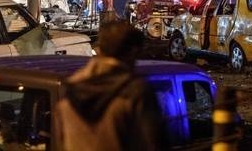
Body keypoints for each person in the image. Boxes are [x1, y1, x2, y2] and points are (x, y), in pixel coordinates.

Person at [54, 21, 168, 151]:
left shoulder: (68, 90)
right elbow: (154, 143)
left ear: (101, 49)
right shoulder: (135, 92)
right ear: (132, 52)